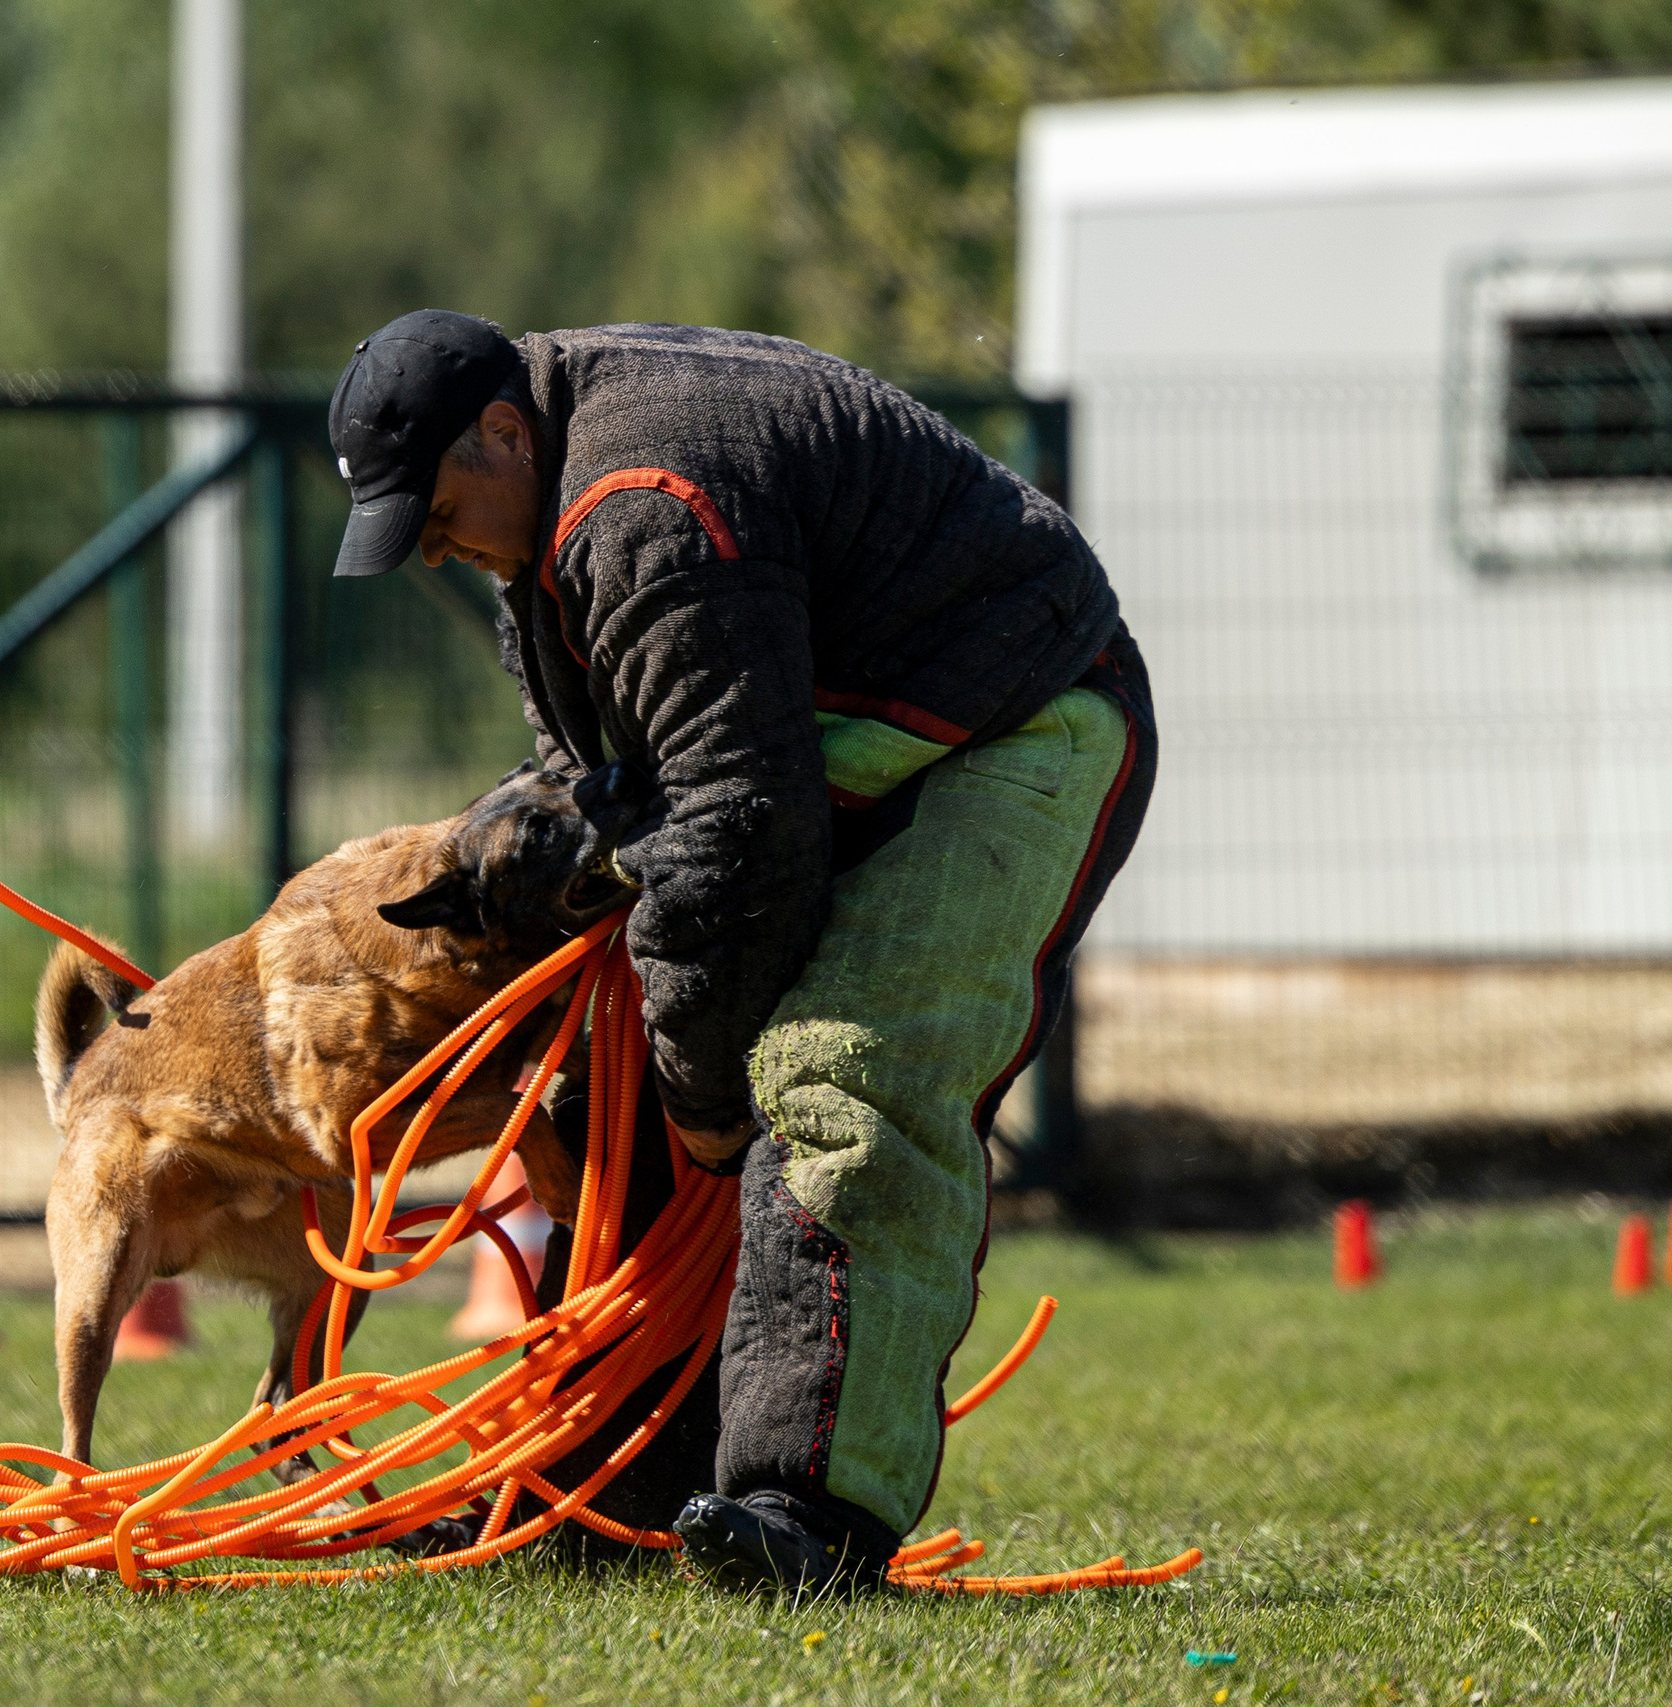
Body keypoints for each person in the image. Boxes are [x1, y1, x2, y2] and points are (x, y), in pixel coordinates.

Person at [325, 311, 1156, 1593]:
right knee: (616, 1094)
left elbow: (733, 835)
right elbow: (629, 773)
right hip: (835, 750)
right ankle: (592, 1506)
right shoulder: (556, 494)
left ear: (503, 431)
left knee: (846, 1076)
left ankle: (807, 1514)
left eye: (438, 514)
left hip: (1016, 721)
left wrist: (706, 1102)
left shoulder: (644, 504)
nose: (440, 550)